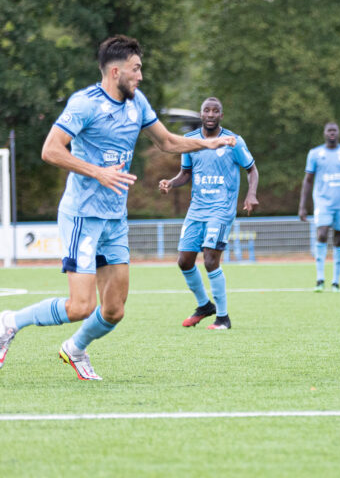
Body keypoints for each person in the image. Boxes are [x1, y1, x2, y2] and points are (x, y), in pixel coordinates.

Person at [0, 35, 235, 380]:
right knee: (81, 306)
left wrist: (208, 144)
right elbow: (50, 150)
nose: (140, 76)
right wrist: (98, 172)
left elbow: (168, 141)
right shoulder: (85, 104)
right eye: (135, 69)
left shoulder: (138, 103)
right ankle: (9, 322)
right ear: (115, 72)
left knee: (114, 310)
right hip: (83, 215)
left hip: (114, 219)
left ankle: (75, 349)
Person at [158, 97, 259, 330]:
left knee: (211, 259)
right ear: (201, 114)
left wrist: (251, 194)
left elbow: (252, 169)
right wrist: (170, 183)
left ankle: (223, 318)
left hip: (221, 208)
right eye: (207, 110)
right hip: (197, 209)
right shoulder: (190, 140)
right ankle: (204, 306)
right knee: (184, 261)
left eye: (215, 111)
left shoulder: (233, 141)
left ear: (221, 115)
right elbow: (185, 173)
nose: (211, 114)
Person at [298, 123, 340, 292]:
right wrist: (302, 206)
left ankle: (335, 282)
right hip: (323, 202)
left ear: (339, 133)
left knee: (339, 238)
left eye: (334, 131)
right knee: (322, 233)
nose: (332, 133)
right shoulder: (315, 153)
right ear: (324, 133)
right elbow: (308, 180)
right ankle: (320, 279)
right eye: (329, 131)